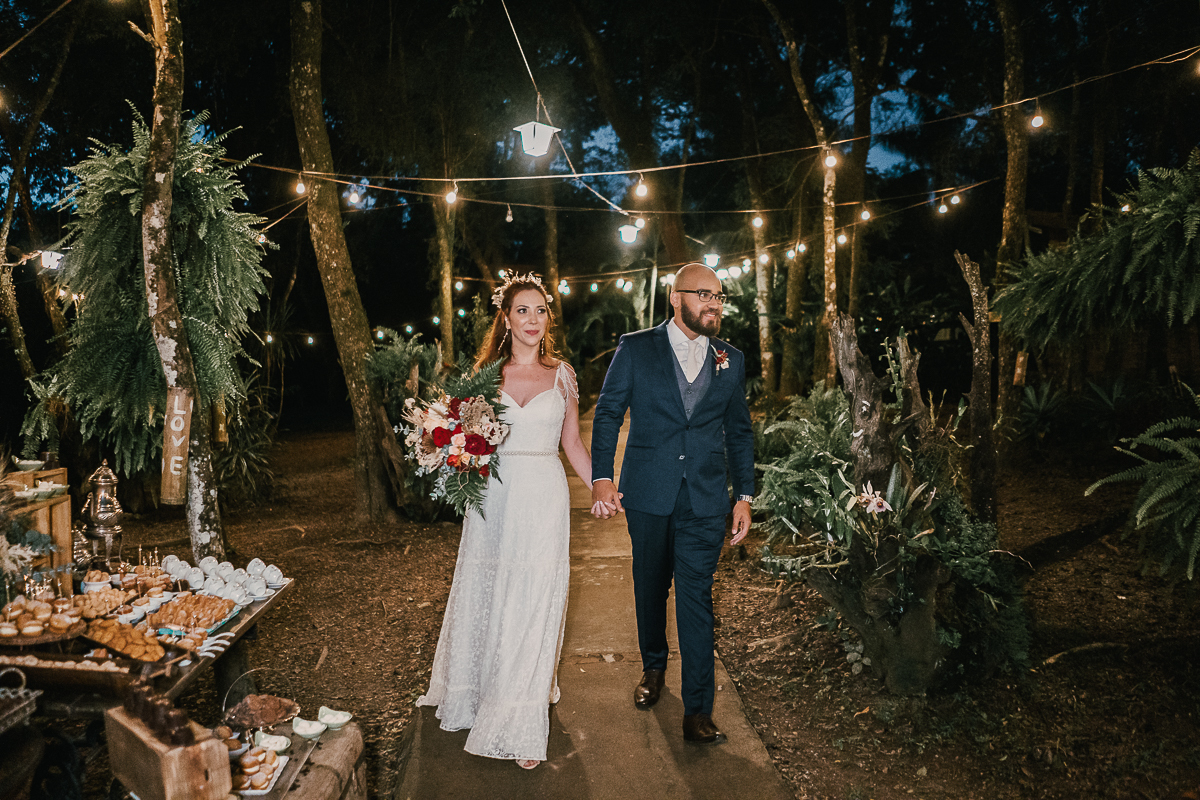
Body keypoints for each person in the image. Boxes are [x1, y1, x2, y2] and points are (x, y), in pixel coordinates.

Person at [416, 273, 606, 770]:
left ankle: (520, 711)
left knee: (534, 596)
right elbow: (461, 436)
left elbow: (572, 443)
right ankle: (482, 690)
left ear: (548, 319)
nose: (532, 319)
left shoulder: (562, 376)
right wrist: (452, 448)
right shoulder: (485, 376)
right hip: (494, 499)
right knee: (490, 589)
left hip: (543, 494)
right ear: (506, 319)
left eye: (540, 310)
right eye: (523, 310)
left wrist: (601, 486)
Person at [590, 262, 754, 745]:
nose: (714, 304)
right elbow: (608, 413)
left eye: (718, 296)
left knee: (695, 597)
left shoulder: (730, 358)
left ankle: (697, 710)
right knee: (650, 586)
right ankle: (654, 667)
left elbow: (739, 432)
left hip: (705, 498)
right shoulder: (637, 347)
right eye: (704, 294)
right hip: (647, 492)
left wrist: (744, 497)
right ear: (675, 297)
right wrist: (602, 477)